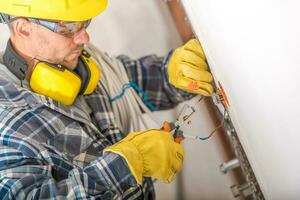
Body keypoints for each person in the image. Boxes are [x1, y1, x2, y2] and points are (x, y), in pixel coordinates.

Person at [0, 0, 213, 199]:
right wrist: (126, 166)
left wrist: (172, 74)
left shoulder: (78, 64)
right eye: (69, 27)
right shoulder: (6, 124)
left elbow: (129, 86)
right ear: (24, 28)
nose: (84, 38)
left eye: (85, 23)